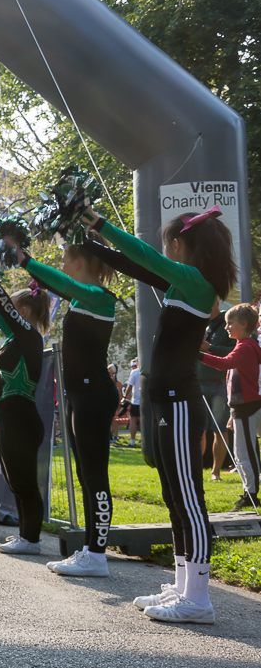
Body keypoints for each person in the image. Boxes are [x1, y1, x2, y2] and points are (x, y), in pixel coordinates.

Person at [82, 204, 235, 623]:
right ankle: (185, 584)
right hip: (166, 399)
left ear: (185, 244)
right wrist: (89, 241)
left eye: (172, 244)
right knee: (173, 494)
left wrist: (101, 224)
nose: (167, 250)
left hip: (180, 401)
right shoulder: (182, 284)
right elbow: (135, 265)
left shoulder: (196, 282)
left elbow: (145, 256)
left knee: (189, 498)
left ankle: (199, 598)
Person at [8, 238, 119, 576]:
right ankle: (90, 548)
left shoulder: (99, 297)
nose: (63, 266)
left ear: (81, 262)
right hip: (81, 396)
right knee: (85, 474)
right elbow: (62, 285)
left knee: (95, 474)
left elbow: (61, 283)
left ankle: (97, 554)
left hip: (94, 396)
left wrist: (25, 259)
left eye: (66, 260)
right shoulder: (81, 297)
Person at [0, 280, 51, 555]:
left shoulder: (30, 336)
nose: (9, 311)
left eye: (13, 306)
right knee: (15, 480)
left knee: (24, 482)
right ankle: (25, 533)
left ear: (22, 309)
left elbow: (3, 310)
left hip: (22, 420)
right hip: (9, 419)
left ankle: (31, 538)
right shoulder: (17, 338)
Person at [199, 304, 261, 512]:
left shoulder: (245, 346)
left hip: (246, 407)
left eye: (229, 323)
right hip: (241, 408)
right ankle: (249, 491)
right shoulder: (244, 344)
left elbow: (225, 364)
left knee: (245, 453)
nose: (226, 328)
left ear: (243, 324)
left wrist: (198, 354)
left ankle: (251, 494)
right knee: (243, 452)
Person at [198, 312, 233, 479]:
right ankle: (195, 469)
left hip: (220, 385)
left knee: (219, 428)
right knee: (198, 429)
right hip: (198, 384)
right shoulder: (199, 323)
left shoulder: (228, 325)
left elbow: (233, 352)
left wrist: (210, 348)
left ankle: (216, 472)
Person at [123, 359, 141, 446]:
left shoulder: (134, 372)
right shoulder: (148, 370)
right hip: (145, 401)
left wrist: (124, 396)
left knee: (133, 420)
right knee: (144, 421)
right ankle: (145, 440)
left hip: (136, 400)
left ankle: (132, 442)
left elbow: (129, 386)